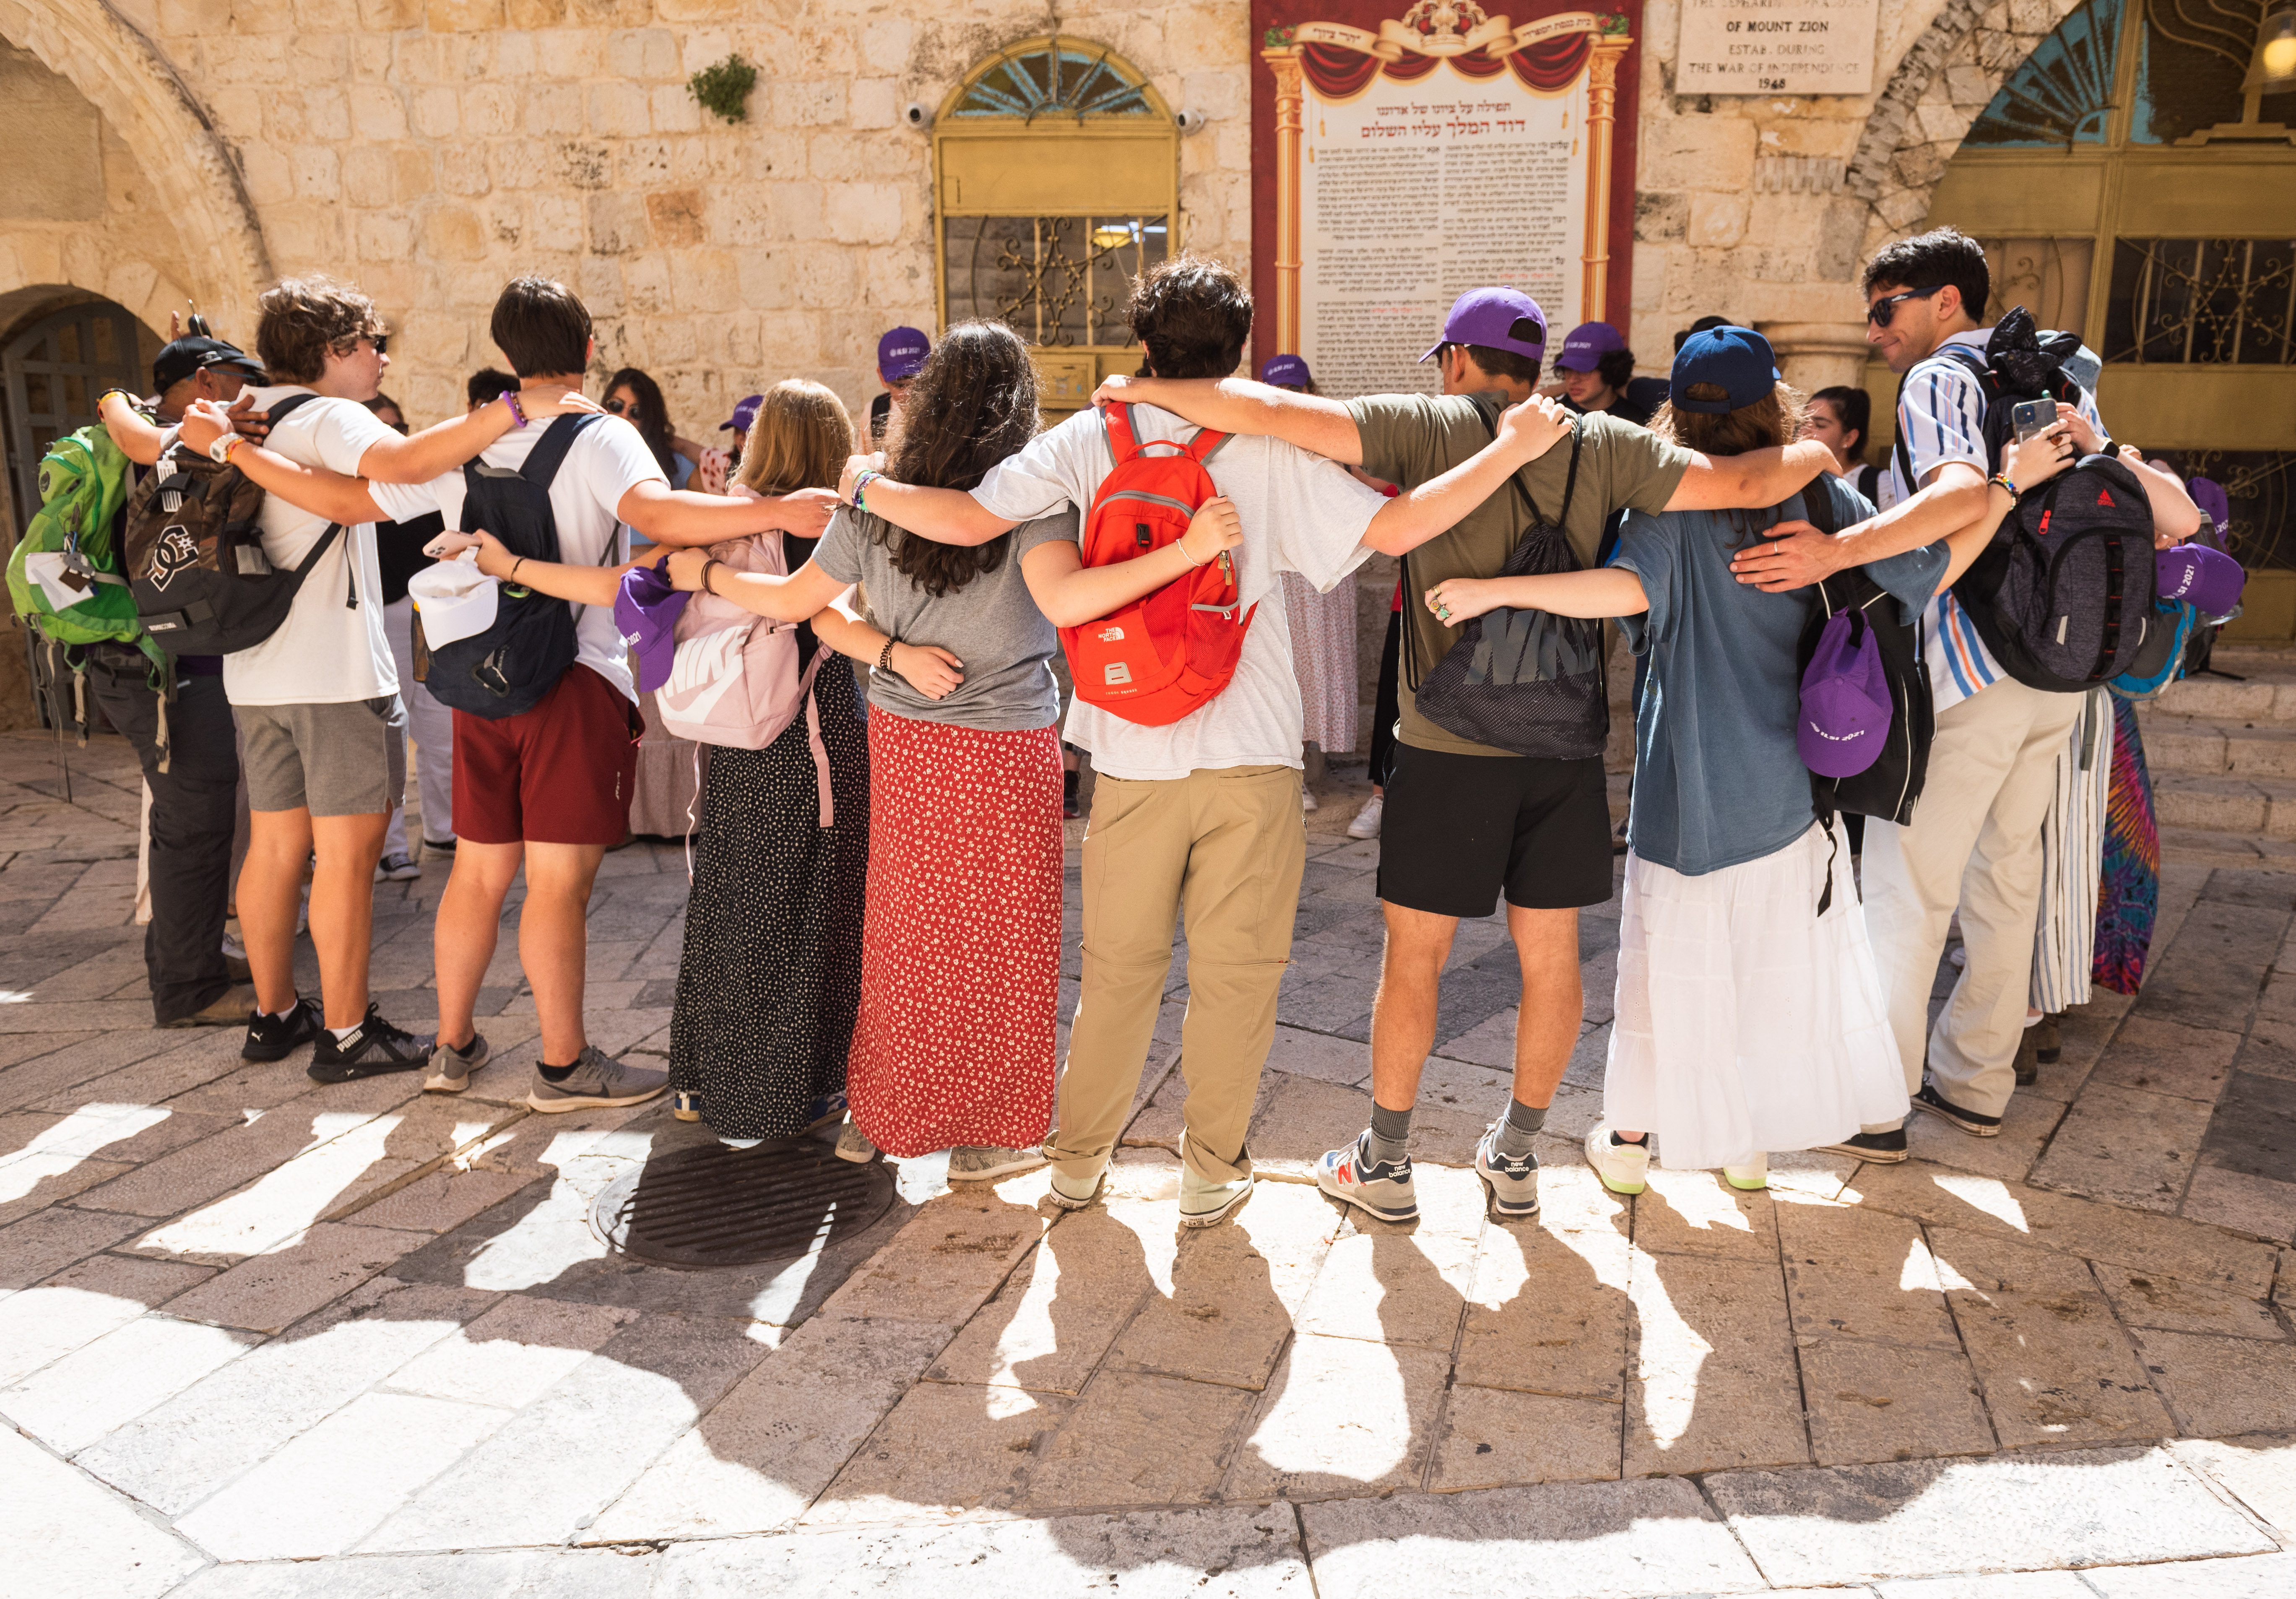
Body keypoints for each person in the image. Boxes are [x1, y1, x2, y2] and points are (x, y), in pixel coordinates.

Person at [843, 258, 1582, 1226]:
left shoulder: (1088, 439)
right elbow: (1401, 528)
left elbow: (966, 515)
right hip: (1252, 750)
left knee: (1118, 977)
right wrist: (1510, 452)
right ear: (1237, 354)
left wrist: (865, 486)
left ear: (1143, 345)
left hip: (1128, 751)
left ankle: (1078, 1165)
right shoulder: (1269, 448)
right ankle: (1210, 1170)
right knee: (1237, 980)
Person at [1093, 285, 1845, 1224]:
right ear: (1536, 367)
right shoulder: (1604, 441)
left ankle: (1385, 1162)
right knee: (1551, 955)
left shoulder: (1428, 426)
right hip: (1562, 743)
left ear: (1456, 359)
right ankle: (1517, 1155)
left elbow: (1267, 409)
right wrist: (1818, 448)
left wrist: (1142, 388)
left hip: (1443, 743)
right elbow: (1743, 483)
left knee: (1416, 956)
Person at [1420, 328, 2067, 1192]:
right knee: (1769, 972)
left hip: (1684, 793)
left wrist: (1497, 591)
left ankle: (1631, 1142)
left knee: (1665, 975)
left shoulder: (1662, 505)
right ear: (1776, 403)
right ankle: (1747, 1145)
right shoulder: (1820, 500)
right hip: (1791, 790)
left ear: (1676, 415)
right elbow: (1934, 566)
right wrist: (2007, 486)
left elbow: (1624, 590)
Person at [186, 276, 836, 1102]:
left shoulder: (466, 440)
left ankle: (451, 1047)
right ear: (588, 348)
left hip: (479, 681)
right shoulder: (601, 435)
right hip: (572, 682)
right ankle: (563, 1064)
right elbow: (661, 517)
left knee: (477, 873)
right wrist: (774, 512)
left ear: (505, 354)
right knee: (558, 884)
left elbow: (344, 502)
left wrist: (234, 450)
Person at [673, 325, 1225, 1175]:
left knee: (905, 936)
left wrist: (713, 580)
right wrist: (1187, 554)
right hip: (1007, 746)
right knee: (1005, 943)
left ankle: (880, 1116)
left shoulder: (875, 498)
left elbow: (802, 605)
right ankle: (988, 1137)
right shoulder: (1035, 499)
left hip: (906, 742)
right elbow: (1066, 600)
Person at [1724, 229, 2203, 1160]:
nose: (1875, 333)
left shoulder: (1941, 378)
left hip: (1967, 665)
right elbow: (2164, 516)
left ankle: (1875, 1106)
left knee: (1908, 888)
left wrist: (1835, 552)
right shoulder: (2059, 378)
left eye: (1885, 309)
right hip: (2059, 673)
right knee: (2006, 875)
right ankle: (1976, 1081)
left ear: (1946, 300)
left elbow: (1954, 498)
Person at [191, 276, 599, 1078]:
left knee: (275, 846)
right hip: (334, 672)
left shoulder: (246, 410)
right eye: (373, 345)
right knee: (347, 858)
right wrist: (516, 407)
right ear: (335, 349)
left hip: (256, 670)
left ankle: (275, 1015)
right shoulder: (328, 415)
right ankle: (347, 1033)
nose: (381, 361)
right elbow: (404, 462)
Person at [660, 380, 876, 1144]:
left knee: (729, 904)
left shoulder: (722, 519)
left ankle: (701, 1084)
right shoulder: (828, 529)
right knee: (807, 915)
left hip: (732, 740)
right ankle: (784, 1094)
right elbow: (812, 610)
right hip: (810, 744)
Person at [82, 334, 272, 1030]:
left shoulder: (145, 434)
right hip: (164, 668)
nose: (251, 393)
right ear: (205, 383)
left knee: (186, 816)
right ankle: (189, 988)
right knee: (196, 819)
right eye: (241, 379)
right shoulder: (167, 442)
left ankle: (185, 954)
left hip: (147, 660)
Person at [360, 393, 452, 882]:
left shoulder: (421, 481)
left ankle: (445, 829)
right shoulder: (348, 491)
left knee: (442, 727)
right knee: (388, 736)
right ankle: (390, 847)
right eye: (381, 429)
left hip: (428, 615)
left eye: (398, 428)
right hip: (380, 618)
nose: (393, 437)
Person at [1260, 354, 1359, 809]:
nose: (1289, 398)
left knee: (1314, 667)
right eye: (1280, 391)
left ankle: (1302, 767)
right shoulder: (1251, 438)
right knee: (1280, 665)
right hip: (1278, 569)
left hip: (1319, 569)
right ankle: (1286, 772)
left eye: (1296, 390)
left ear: (1310, 392)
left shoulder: (1333, 435)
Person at [1552, 322, 1665, 426]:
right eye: (1568, 369)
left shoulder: (1637, 420)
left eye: (1584, 370)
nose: (1572, 380)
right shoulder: (1555, 416)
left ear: (1611, 369)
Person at [1803, 385, 1883, 505]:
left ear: (1849, 438)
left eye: (1820, 425)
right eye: (1803, 423)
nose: (1804, 432)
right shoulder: (1791, 478)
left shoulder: (1878, 483)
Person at [868, 326, 929, 445]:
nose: (910, 394)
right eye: (901, 386)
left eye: (920, 383)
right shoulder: (874, 412)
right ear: (882, 378)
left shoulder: (948, 414)